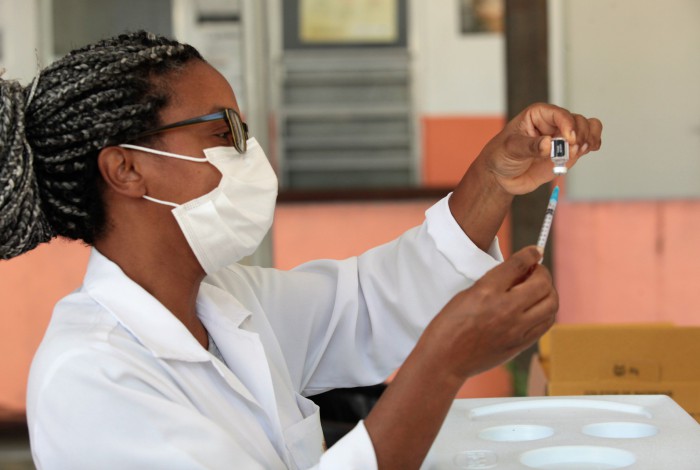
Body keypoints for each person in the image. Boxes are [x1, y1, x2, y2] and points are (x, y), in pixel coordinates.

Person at [0, 31, 602, 469]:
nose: (249, 152)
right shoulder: (90, 377)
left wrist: (494, 177)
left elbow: (370, 303)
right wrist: (442, 366)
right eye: (223, 131)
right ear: (127, 169)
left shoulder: (224, 301)